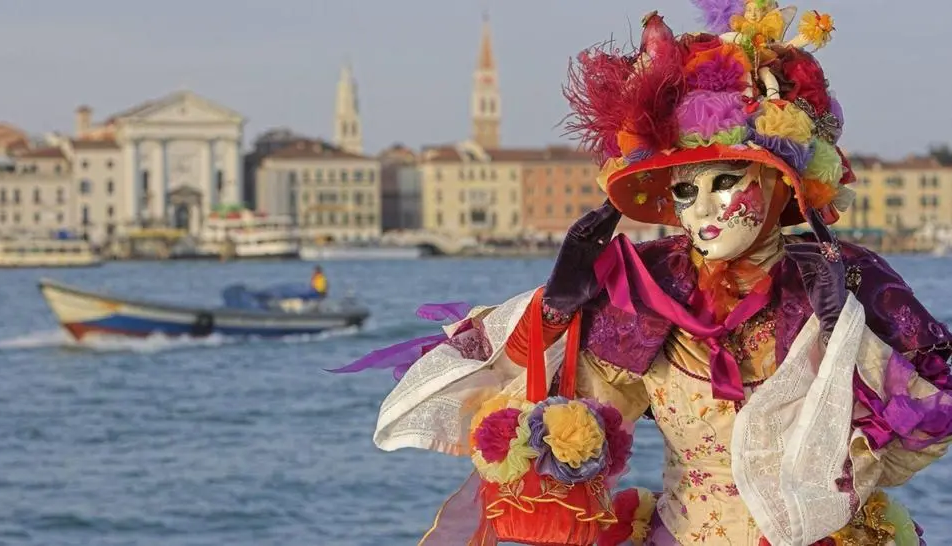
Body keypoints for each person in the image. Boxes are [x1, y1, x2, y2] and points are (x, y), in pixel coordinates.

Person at [334, 2, 950, 544]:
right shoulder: (650, 290)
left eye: (725, 181)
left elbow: (919, 433)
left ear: (777, 179)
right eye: (685, 189)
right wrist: (557, 319)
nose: (702, 209)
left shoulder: (848, 280)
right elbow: (590, 425)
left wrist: (846, 338)